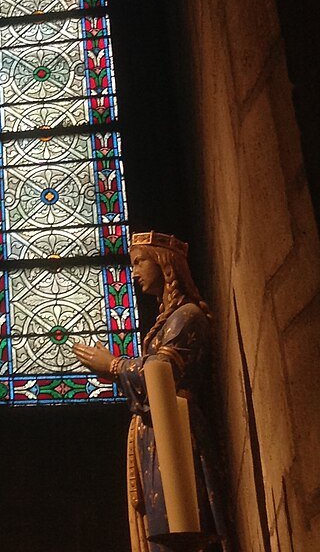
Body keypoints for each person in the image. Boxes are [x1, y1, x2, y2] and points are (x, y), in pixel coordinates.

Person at [73, 231, 229, 551]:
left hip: (177, 431)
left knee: (183, 528)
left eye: (139, 262)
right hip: (157, 431)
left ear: (164, 262)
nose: (134, 273)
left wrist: (114, 365)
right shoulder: (168, 320)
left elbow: (163, 372)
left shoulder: (187, 316)